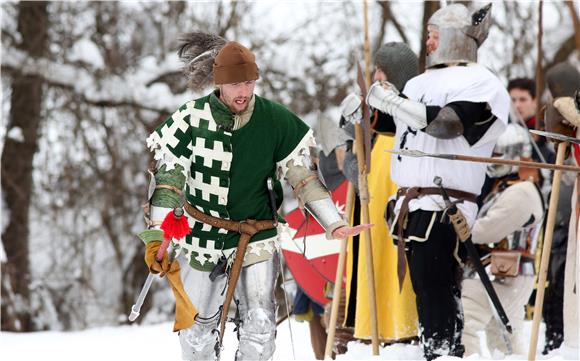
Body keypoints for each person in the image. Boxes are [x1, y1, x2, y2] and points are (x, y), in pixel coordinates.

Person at [139, 35, 370, 361]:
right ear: (220, 83)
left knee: (261, 326)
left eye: (249, 82)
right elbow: (168, 184)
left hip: (256, 232)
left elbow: (303, 178)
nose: (244, 91)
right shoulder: (191, 118)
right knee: (197, 333)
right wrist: (157, 237)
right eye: (235, 84)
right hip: (201, 232)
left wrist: (333, 222)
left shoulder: (274, 120)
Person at [358, 4, 510, 359]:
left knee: (437, 287)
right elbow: (405, 129)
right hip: (412, 204)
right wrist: (368, 112)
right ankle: (437, 351)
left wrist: (393, 101)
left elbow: (446, 125)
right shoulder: (419, 83)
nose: (427, 42)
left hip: (446, 203)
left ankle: (443, 353)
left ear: (456, 37)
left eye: (433, 35)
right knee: (425, 290)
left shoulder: (482, 82)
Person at [339, 42, 419, 345]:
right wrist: (353, 132)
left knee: (391, 263)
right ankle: (370, 327)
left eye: (380, 72)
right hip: (369, 205)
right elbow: (353, 164)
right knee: (370, 264)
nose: (374, 77)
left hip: (392, 205)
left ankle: (398, 326)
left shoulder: (408, 112)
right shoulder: (374, 115)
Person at [462, 123, 545, 356]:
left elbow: (487, 231)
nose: (491, 159)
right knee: (501, 337)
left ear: (513, 154)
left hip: (505, 270)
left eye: (496, 154)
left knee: (468, 325)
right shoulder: (506, 188)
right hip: (499, 270)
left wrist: (460, 226)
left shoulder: (522, 192)